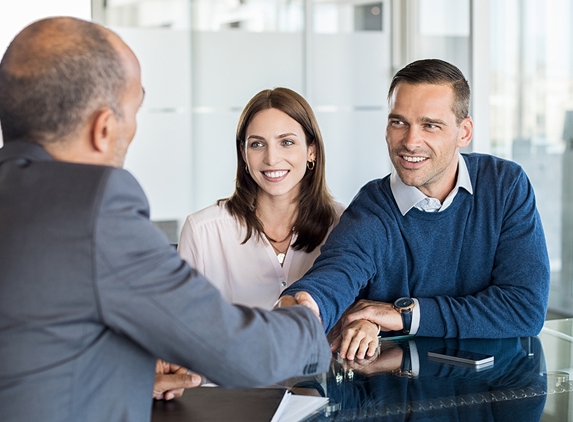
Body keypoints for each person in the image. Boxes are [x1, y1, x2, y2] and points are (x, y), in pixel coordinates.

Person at [0, 17, 331, 422]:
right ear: (104, 128)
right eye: (133, 110)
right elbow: (242, 352)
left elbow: (44, 348)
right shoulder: (92, 208)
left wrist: (136, 374)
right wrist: (310, 316)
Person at [277, 59, 550, 361]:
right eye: (399, 122)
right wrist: (305, 305)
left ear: (464, 131)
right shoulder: (372, 209)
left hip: (493, 392)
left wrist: (404, 314)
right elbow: (336, 274)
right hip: (401, 395)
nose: (410, 141)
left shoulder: (505, 186)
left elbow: (524, 308)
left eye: (430, 125)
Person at [178, 87, 344, 310]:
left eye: (286, 142)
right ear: (244, 154)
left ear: (311, 150)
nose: (272, 158)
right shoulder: (202, 231)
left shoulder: (343, 224)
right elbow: (184, 329)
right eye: (257, 144)